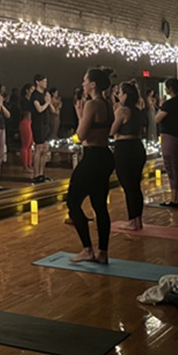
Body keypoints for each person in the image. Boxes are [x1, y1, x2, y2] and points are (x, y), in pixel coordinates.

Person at [66, 68, 116, 263]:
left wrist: (80, 115)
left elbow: (81, 135)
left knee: (72, 202)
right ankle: (102, 252)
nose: (83, 84)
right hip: (105, 156)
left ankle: (87, 249)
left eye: (85, 81)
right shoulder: (108, 104)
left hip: (93, 157)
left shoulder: (92, 104)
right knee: (100, 206)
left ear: (93, 84)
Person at [111, 81, 147, 231]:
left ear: (125, 95)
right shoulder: (138, 110)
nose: (118, 95)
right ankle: (137, 219)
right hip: (137, 147)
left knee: (128, 186)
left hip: (125, 148)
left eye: (119, 92)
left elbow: (112, 131)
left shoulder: (122, 111)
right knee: (135, 186)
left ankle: (132, 220)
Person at [156, 78, 178, 208]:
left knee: (170, 167)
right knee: (177, 167)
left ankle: (174, 198)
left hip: (169, 137)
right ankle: (177, 196)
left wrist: (161, 105)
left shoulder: (169, 104)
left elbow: (157, 119)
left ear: (170, 88)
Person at [30, 74, 53, 183]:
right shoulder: (35, 95)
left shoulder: (44, 95)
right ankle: (36, 174)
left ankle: (42, 173)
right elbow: (39, 109)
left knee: (45, 148)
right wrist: (47, 102)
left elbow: (52, 110)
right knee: (39, 148)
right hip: (38, 123)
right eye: (43, 81)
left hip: (46, 123)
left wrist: (49, 101)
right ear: (37, 82)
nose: (45, 83)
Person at [18, 84, 34, 175]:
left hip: (30, 121)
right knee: (25, 144)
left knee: (30, 144)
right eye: (31, 89)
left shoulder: (30, 100)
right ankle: (25, 165)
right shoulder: (24, 100)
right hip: (25, 122)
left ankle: (29, 164)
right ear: (27, 90)